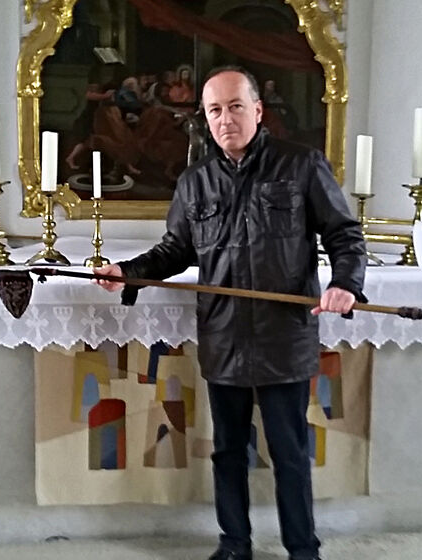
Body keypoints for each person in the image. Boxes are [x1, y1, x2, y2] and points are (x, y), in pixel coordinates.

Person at [94, 66, 366, 560]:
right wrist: (128, 272)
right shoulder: (195, 182)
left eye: (235, 107)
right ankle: (234, 544)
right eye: (214, 110)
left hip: (283, 335)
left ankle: (303, 550)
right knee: (227, 451)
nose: (225, 119)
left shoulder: (301, 165)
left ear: (258, 111)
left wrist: (346, 284)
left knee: (288, 453)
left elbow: (344, 234)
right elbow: (176, 250)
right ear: (206, 117)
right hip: (223, 333)